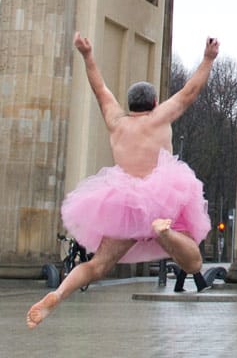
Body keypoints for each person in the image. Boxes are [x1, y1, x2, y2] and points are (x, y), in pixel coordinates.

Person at [26, 31, 218, 329]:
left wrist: (87, 55)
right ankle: (165, 233)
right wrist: (207, 59)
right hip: (161, 197)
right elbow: (189, 92)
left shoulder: (116, 122)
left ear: (130, 104)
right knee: (192, 262)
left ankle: (59, 292)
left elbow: (99, 87)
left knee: (97, 265)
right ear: (154, 101)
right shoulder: (159, 117)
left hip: (125, 203)